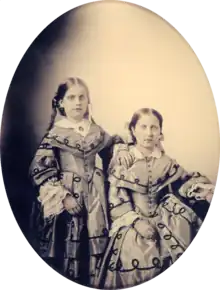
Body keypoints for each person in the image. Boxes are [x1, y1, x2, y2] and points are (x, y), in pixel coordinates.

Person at [28, 77, 133, 286]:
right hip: (69, 197)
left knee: (95, 250)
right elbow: (40, 169)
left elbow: (112, 147)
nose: (77, 102)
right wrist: (64, 197)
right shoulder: (55, 134)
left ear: (88, 102)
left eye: (82, 97)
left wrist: (120, 150)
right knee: (70, 250)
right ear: (61, 103)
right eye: (72, 97)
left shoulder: (95, 131)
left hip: (96, 199)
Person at [95, 108, 215, 289]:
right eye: (143, 127)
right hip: (133, 224)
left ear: (160, 132)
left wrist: (199, 189)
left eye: (154, 128)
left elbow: (182, 182)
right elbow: (116, 197)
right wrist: (136, 222)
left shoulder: (165, 161)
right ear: (133, 130)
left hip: (163, 219)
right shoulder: (123, 161)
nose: (149, 133)